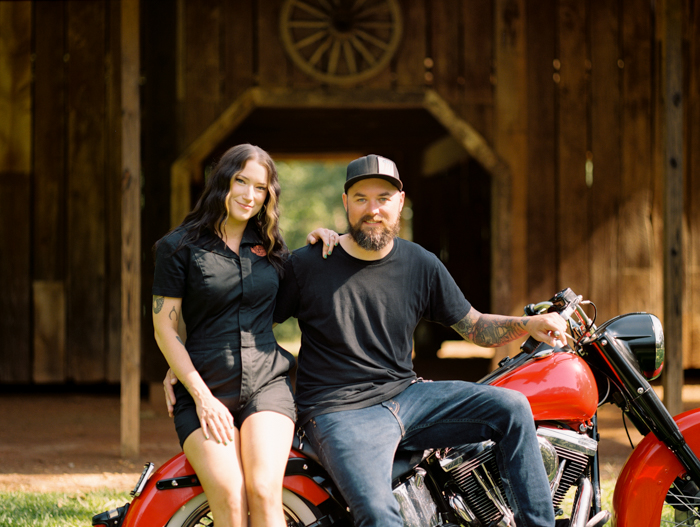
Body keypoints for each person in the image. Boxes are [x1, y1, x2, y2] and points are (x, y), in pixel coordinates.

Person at [165, 154, 567, 527]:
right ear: (346, 202)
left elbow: (474, 326)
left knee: (513, 406)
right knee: (376, 513)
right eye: (361, 198)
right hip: (337, 411)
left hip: (408, 396)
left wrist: (526, 325)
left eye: (383, 198)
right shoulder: (309, 263)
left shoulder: (420, 263)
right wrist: (182, 364)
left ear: (400, 202)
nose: (373, 209)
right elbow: (240, 317)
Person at [152, 143, 337, 527]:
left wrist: (320, 238)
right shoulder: (177, 247)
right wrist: (200, 395)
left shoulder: (269, 247)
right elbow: (164, 327)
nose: (249, 195)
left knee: (265, 490)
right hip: (205, 388)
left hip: (267, 386)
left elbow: (299, 288)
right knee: (231, 497)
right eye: (241, 182)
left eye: (260, 188)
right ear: (223, 180)